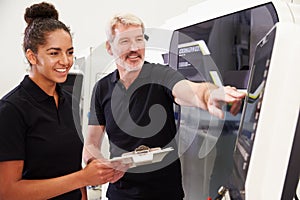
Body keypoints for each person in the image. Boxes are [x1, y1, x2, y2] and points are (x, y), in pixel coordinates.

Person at [83, 13, 246, 200]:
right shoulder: (102, 88)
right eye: (125, 41)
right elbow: (91, 143)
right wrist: (95, 165)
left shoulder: (161, 75)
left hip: (164, 193)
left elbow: (188, 90)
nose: (134, 48)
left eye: (139, 39)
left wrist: (208, 94)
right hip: (121, 193)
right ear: (109, 47)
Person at [0, 2, 127, 200]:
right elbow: (8, 191)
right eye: (54, 53)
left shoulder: (69, 100)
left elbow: (72, 165)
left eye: (69, 52)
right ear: (32, 56)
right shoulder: (11, 109)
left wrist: (91, 176)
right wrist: (82, 178)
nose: (66, 61)